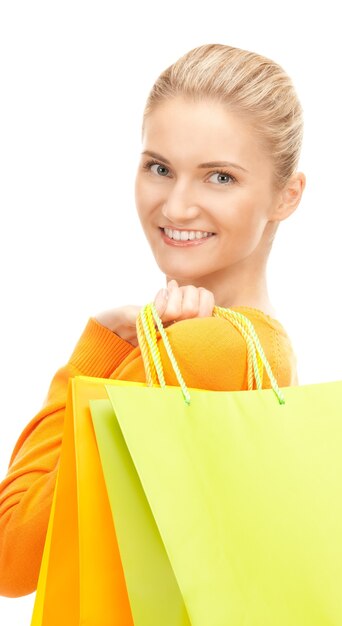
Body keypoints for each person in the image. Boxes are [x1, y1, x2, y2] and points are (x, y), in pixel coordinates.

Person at [0, 42, 306, 597]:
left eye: (220, 178)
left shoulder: (198, 353)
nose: (177, 207)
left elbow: (10, 555)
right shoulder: (267, 350)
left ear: (287, 196)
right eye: (160, 168)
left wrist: (94, 353)